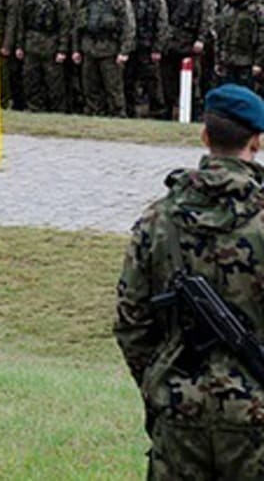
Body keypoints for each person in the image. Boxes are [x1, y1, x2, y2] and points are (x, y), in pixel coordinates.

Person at [115, 84, 264, 478]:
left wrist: (160, 382)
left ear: (204, 136)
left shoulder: (157, 219)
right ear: (257, 141)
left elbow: (131, 321)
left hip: (178, 411)